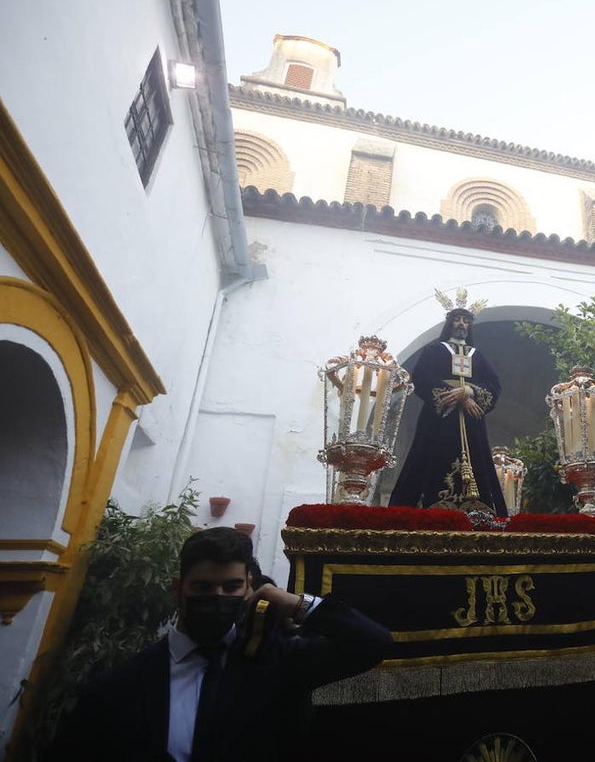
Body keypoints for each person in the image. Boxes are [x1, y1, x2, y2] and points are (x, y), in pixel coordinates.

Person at [49, 527, 393, 762]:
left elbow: (371, 643)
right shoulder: (119, 684)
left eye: (231, 588)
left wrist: (294, 602)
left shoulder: (282, 661)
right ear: (178, 588)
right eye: (203, 588)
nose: (218, 597)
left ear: (250, 587)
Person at [389, 291, 506, 515]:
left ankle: (481, 511)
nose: (461, 324)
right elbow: (422, 377)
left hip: (472, 421)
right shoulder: (434, 350)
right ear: (450, 323)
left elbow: (494, 385)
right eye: (457, 319)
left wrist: (469, 391)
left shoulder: (477, 356)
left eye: (466, 320)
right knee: (429, 456)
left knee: (477, 459)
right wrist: (455, 395)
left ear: (470, 325)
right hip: (439, 419)